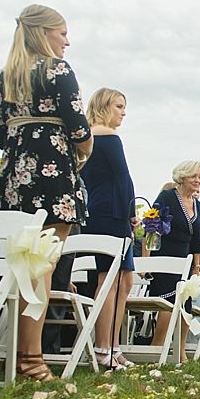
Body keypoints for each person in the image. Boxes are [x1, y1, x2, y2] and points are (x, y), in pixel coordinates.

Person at [0, 4, 93, 381]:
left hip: (17, 174)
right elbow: (80, 128)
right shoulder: (58, 70)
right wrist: (82, 152)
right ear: (43, 33)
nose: (66, 40)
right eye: (62, 32)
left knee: (22, 264)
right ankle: (31, 358)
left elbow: (1, 133)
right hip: (53, 176)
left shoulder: (3, 78)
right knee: (43, 267)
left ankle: (18, 351)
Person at [80, 87, 137, 370]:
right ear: (103, 106)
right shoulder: (107, 135)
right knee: (110, 280)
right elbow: (122, 178)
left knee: (124, 281)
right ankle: (104, 346)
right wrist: (131, 213)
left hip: (100, 211)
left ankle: (114, 345)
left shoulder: (88, 136)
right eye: (118, 105)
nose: (123, 112)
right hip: (111, 213)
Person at [148, 162, 200, 358]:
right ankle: (157, 347)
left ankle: (180, 352)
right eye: (194, 176)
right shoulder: (167, 197)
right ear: (182, 176)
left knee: (185, 304)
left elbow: (197, 238)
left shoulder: (199, 205)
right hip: (164, 256)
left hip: (186, 260)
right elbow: (152, 226)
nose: (198, 181)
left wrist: (196, 266)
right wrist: (146, 261)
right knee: (170, 302)